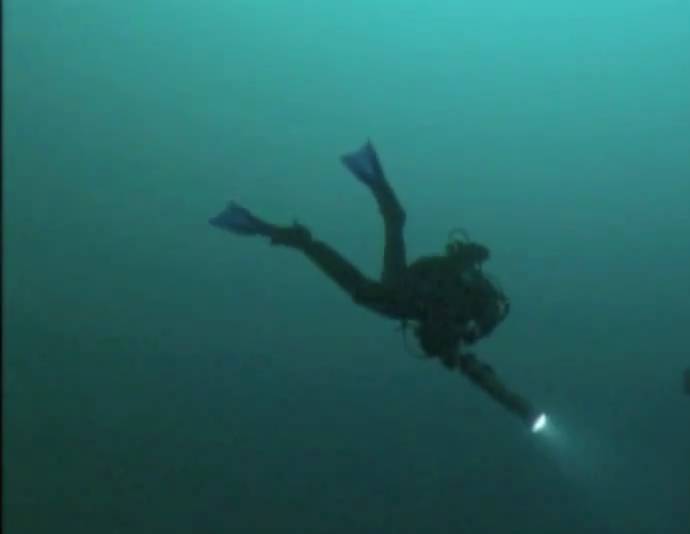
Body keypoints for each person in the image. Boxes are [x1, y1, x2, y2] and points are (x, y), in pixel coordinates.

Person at [209, 141, 544, 430]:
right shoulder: (469, 300)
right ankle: (355, 189)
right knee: (372, 274)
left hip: (404, 294)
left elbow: (469, 364)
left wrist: (454, 350)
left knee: (367, 278)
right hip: (411, 289)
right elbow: (461, 274)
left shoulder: (457, 322)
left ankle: (287, 230)